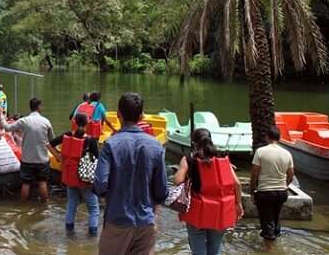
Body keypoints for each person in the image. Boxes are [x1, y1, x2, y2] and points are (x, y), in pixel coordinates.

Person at [93, 92, 168, 255]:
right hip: (146, 223)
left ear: (118, 114)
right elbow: (162, 190)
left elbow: (100, 185)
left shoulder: (110, 145)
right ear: (141, 116)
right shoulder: (156, 146)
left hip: (117, 221)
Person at [173, 128, 244, 255]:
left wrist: (183, 170)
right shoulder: (223, 159)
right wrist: (238, 203)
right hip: (219, 211)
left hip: (197, 210)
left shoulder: (189, 159)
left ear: (194, 143)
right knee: (215, 249)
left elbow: (177, 180)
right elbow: (237, 184)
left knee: (198, 251)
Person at [48, 113, 100, 235]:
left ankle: (69, 234)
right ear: (87, 123)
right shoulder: (90, 140)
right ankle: (92, 237)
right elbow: (98, 160)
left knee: (71, 205)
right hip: (84, 177)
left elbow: (49, 144)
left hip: (69, 176)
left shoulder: (66, 135)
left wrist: (59, 157)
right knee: (93, 209)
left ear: (75, 122)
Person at [0, 98, 54, 202]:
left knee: (26, 183)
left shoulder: (23, 121)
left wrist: (1, 116)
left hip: (27, 160)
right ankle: (44, 206)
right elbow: (52, 140)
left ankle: (23, 207)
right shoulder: (46, 121)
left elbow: (7, 128)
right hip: (42, 159)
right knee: (42, 182)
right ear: (39, 107)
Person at [250, 126, 294, 244]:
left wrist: (252, 191)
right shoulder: (287, 154)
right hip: (281, 192)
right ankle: (275, 241)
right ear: (279, 138)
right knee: (275, 218)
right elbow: (291, 175)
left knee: (267, 223)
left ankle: (269, 249)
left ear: (267, 137)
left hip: (265, 192)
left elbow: (254, 174)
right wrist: (284, 185)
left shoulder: (260, 152)